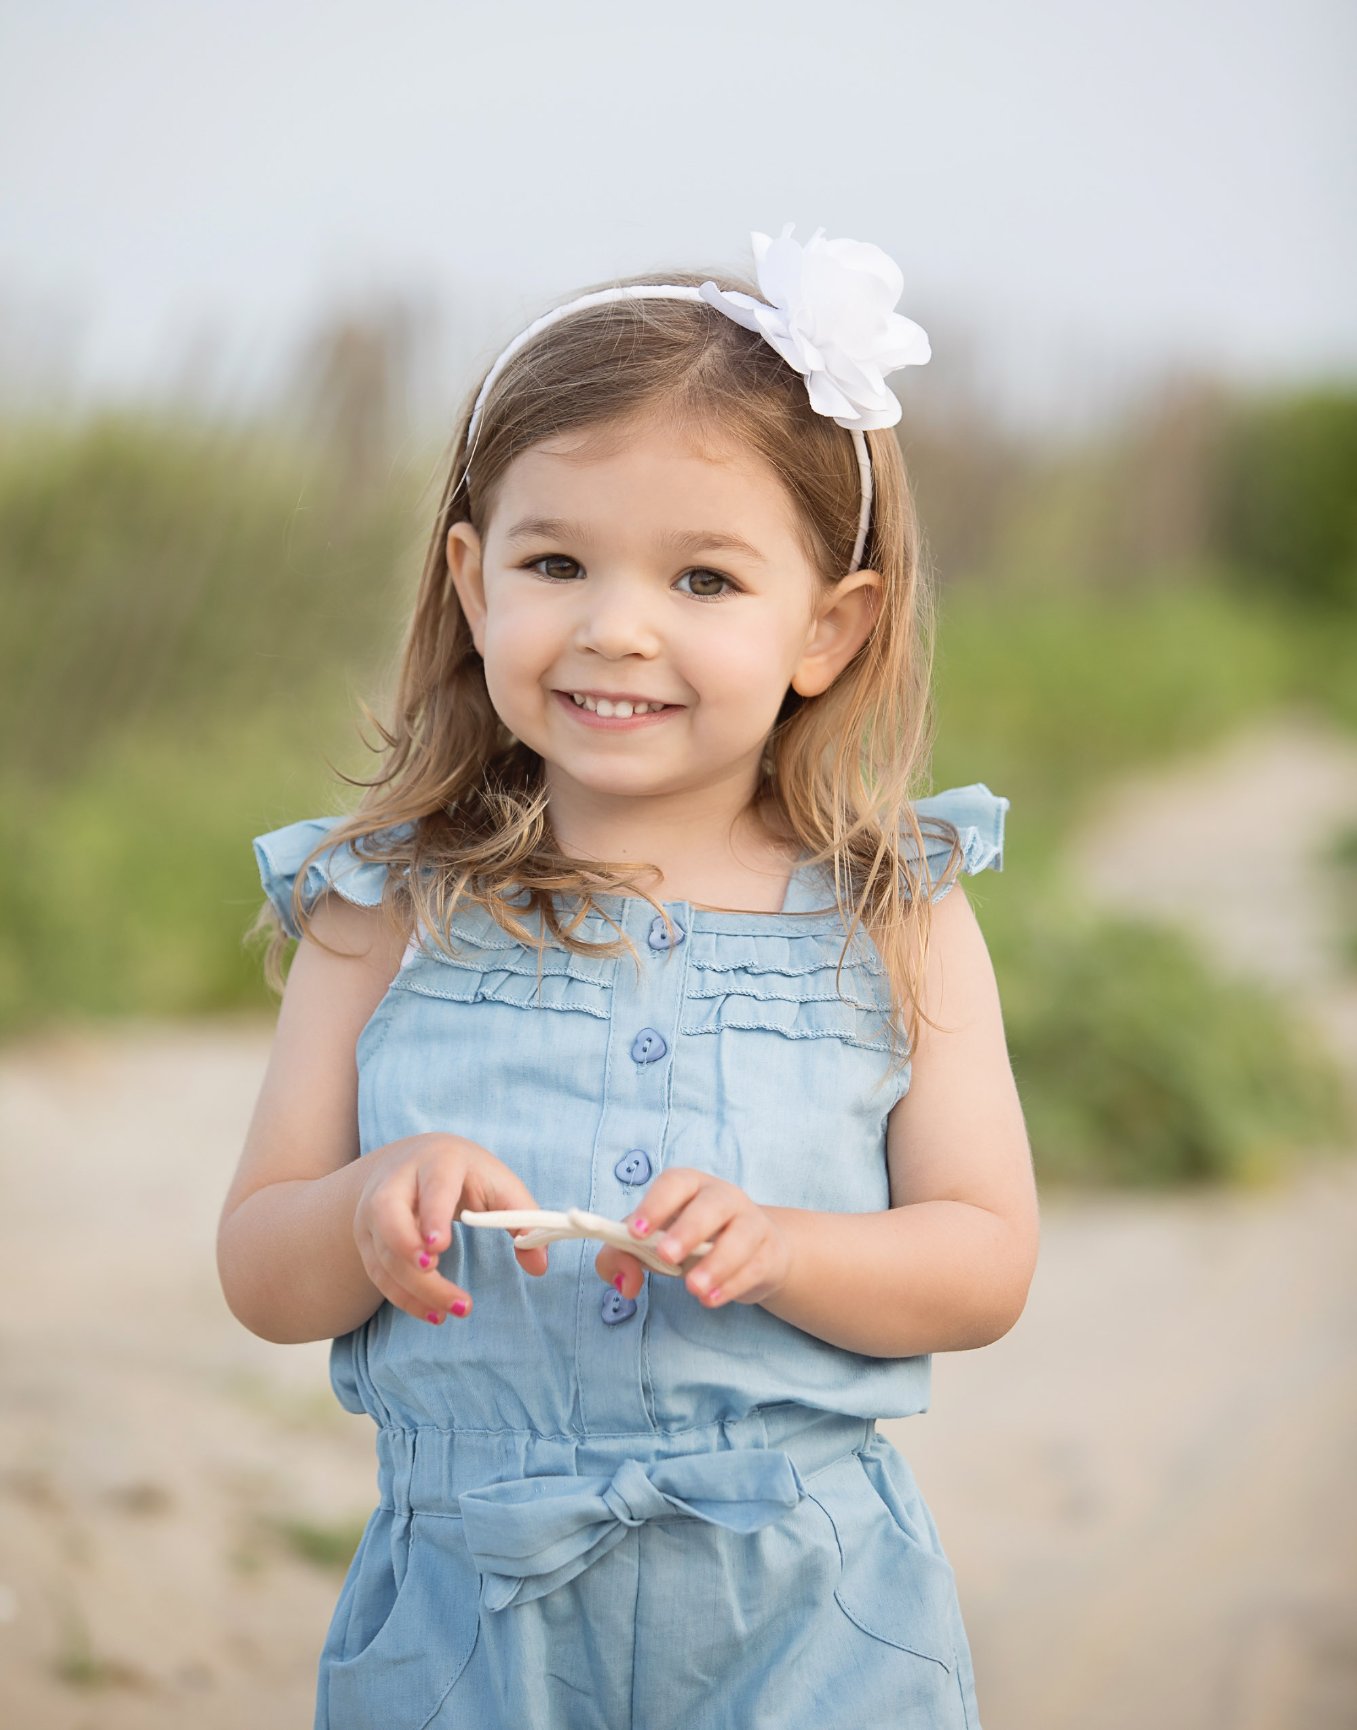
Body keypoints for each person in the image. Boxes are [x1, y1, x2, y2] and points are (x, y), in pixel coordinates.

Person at [217, 223, 1039, 1730]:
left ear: (827, 625)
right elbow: (263, 1269)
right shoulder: (383, 906)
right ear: (472, 583)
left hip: (806, 1613)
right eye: (554, 562)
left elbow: (983, 1258)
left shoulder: (890, 909)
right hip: (467, 1617)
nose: (615, 625)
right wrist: (362, 1209)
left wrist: (788, 1247)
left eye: (705, 579)